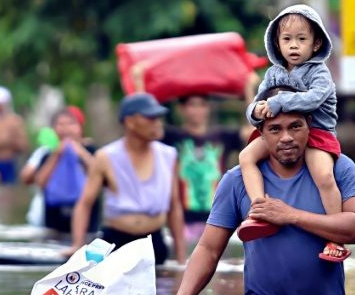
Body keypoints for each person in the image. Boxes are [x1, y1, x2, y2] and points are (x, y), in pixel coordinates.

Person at [158, 105, 355, 295]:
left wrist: (292, 215)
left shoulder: (336, 168)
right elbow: (208, 248)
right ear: (260, 133)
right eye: (275, 129)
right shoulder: (237, 180)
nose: (286, 137)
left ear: (310, 126)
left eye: (295, 126)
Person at [237, 4, 348, 263]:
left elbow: (313, 99)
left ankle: (336, 237)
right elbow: (257, 103)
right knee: (246, 157)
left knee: (323, 175)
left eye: (301, 39)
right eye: (287, 40)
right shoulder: (274, 73)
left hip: (317, 133)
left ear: (316, 43)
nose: (294, 46)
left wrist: (277, 104)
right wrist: (256, 112)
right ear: (277, 42)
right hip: (281, 133)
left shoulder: (319, 71)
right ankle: (259, 210)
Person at [69, 92, 187, 265]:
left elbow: (174, 206)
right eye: (150, 118)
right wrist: (77, 246)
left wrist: (181, 258)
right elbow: (85, 203)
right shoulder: (106, 157)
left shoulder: (168, 156)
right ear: (130, 122)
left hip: (153, 242)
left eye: (158, 118)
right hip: (115, 242)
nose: (157, 123)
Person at [161, 94, 250, 245]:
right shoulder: (172, 137)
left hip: (218, 220)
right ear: (181, 109)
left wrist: (248, 90)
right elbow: (144, 121)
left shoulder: (221, 136)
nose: (197, 110)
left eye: (202, 104)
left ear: (208, 108)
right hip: (182, 222)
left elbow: (253, 132)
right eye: (192, 105)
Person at [20, 106, 100, 236]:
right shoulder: (48, 154)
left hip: (87, 224)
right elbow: (40, 182)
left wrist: (80, 152)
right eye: (61, 124)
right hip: (54, 223)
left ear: (80, 128)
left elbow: (98, 174)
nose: (66, 129)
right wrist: (57, 155)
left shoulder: (92, 151)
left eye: (71, 124)